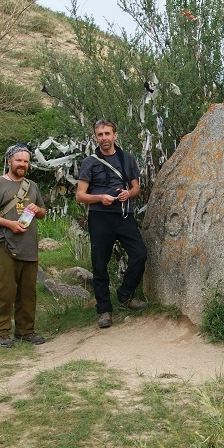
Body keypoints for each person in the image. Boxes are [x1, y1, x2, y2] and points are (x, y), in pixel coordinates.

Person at [76, 119, 149, 328]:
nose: (104, 138)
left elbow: (136, 188)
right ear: (95, 137)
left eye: (107, 134)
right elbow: (80, 196)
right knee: (100, 264)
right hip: (100, 216)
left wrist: (129, 193)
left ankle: (125, 294)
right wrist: (100, 198)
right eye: (100, 134)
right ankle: (104, 310)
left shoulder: (127, 159)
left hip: (124, 214)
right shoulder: (89, 162)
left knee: (139, 253)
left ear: (115, 135)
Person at [0, 144, 48, 347]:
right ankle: (0, 332)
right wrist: (9, 224)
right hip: (4, 245)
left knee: (28, 292)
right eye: (18, 160)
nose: (22, 164)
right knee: (4, 290)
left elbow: (43, 213)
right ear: (9, 161)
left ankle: (26, 331)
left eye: (26, 161)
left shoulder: (32, 186)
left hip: (29, 246)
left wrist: (37, 209)